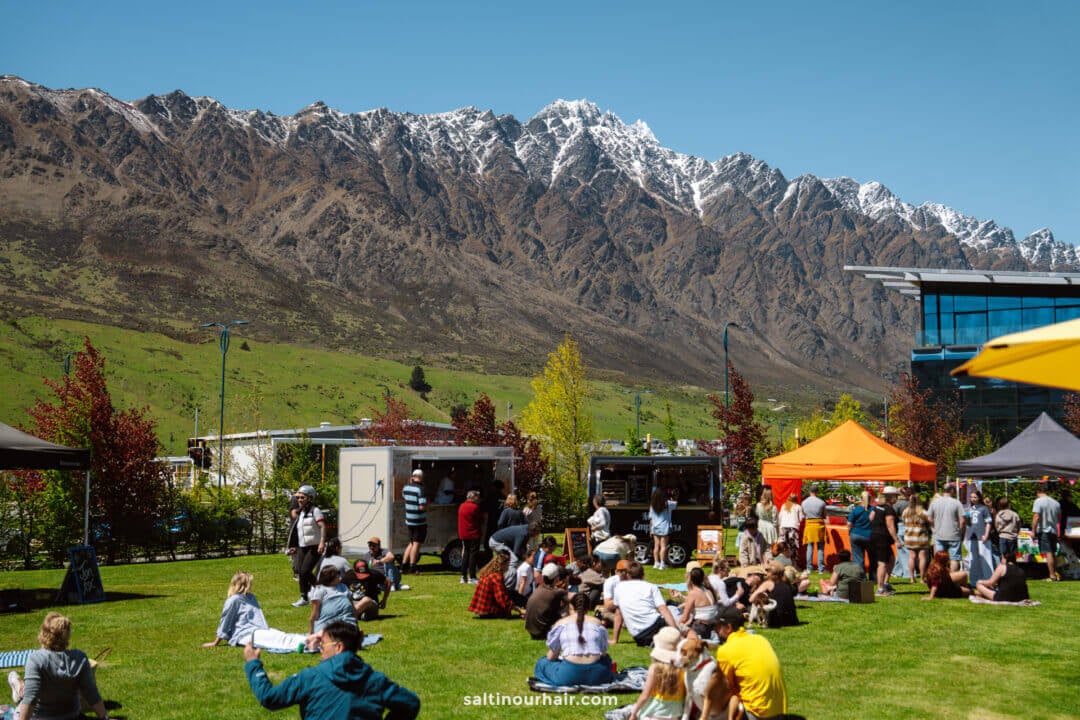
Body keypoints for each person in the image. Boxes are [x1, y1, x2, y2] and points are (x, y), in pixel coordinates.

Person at [244, 620, 420, 720]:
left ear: (339, 647)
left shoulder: (310, 677)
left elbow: (269, 698)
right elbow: (411, 703)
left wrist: (253, 664)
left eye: (322, 644)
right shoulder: (375, 681)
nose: (320, 648)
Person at [16, 612, 109, 720]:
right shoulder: (80, 658)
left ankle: (17, 685)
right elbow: (91, 693)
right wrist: (105, 717)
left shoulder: (36, 659)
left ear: (43, 633)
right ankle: (18, 685)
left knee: (20, 695)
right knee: (21, 689)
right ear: (67, 635)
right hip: (73, 716)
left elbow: (30, 698)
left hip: (42, 717)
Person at [713, 603, 788, 719]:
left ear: (728, 628)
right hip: (778, 710)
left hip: (756, 712)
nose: (715, 630)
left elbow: (724, 689)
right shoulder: (760, 639)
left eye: (717, 626)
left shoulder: (726, 651)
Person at [533, 593, 614, 686]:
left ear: (571, 606)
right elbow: (603, 654)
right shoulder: (597, 623)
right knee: (607, 660)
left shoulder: (561, 623)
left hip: (568, 675)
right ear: (588, 607)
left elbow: (551, 657)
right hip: (598, 675)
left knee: (542, 663)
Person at [612, 561, 680, 647]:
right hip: (655, 625)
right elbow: (663, 609)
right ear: (643, 575)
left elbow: (618, 614)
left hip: (639, 636)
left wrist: (615, 639)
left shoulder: (619, 588)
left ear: (628, 575)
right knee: (684, 627)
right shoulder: (651, 587)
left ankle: (655, 641)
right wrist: (676, 630)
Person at [628, 626, 685, 720]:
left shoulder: (655, 668)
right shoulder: (683, 669)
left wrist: (634, 713)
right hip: (675, 713)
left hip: (655, 713)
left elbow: (645, 695)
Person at [205, 570, 271, 647]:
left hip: (257, 631)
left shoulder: (251, 597)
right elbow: (226, 620)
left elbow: (259, 617)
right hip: (245, 634)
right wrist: (216, 642)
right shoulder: (235, 600)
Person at [289, 484, 326, 607]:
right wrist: (294, 545)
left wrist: (322, 542)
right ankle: (305, 597)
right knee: (300, 571)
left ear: (310, 498)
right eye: (298, 498)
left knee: (305, 571)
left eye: (302, 498)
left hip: (314, 546)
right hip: (302, 546)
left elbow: (322, 526)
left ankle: (316, 591)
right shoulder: (300, 513)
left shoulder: (315, 511)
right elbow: (297, 531)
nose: (299, 500)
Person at [468, 550, 523, 618]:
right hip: (489, 612)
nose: (508, 568)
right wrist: (519, 610)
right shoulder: (496, 577)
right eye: (507, 565)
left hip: (481, 610)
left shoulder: (485, 573)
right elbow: (502, 599)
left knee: (510, 592)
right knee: (512, 594)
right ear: (503, 565)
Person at [868, 487, 900, 596]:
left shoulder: (878, 507)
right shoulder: (889, 509)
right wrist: (897, 540)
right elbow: (890, 526)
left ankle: (885, 583)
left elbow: (870, 518)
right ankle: (880, 589)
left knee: (891, 559)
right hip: (882, 538)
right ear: (891, 497)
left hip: (875, 536)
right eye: (896, 496)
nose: (897, 498)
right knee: (882, 564)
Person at [525, 563, 570, 640]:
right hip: (543, 633)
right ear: (556, 578)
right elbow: (576, 599)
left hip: (531, 632)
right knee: (567, 606)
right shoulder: (557, 592)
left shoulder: (539, 588)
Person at [747, 562, 798, 628]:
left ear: (771, 573)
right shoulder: (788, 584)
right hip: (792, 620)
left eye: (767, 571)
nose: (766, 573)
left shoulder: (768, 583)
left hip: (777, 621)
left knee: (749, 608)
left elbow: (751, 599)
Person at [927, 483, 965, 572]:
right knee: (954, 558)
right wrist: (960, 531)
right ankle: (952, 579)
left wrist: (934, 528)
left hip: (939, 534)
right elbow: (962, 521)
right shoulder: (956, 502)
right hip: (954, 534)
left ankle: (940, 579)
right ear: (952, 490)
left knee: (939, 559)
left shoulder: (935, 502)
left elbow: (929, 518)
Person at [309, 567, 356, 634]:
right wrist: (311, 631)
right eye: (337, 577)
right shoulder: (320, 590)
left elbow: (352, 608)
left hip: (345, 619)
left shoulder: (343, 587)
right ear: (329, 578)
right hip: (327, 621)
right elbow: (315, 613)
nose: (340, 578)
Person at [676, 565, 719, 637]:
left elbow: (684, 618)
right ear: (703, 578)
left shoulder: (693, 593)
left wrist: (675, 627)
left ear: (691, 579)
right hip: (713, 625)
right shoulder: (708, 591)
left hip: (701, 627)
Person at [1032, 483, 1062, 581]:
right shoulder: (1056, 503)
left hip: (1044, 529)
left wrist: (1033, 531)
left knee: (1048, 553)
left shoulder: (1038, 501)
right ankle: (1056, 573)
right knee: (1053, 553)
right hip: (1053, 530)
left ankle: (1052, 576)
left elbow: (1036, 516)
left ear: (1038, 492)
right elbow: (1059, 519)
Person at [401, 468, 427, 575]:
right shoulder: (421, 489)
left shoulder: (405, 487)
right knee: (416, 544)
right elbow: (422, 507)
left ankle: (403, 566)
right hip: (419, 521)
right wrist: (427, 505)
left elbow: (404, 498)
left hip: (409, 520)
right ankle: (412, 567)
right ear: (421, 477)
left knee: (411, 543)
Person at [965, 489, 994, 587]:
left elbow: (988, 523)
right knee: (973, 559)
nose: (973, 499)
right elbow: (968, 524)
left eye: (975, 497)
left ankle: (989, 580)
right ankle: (974, 581)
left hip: (982, 536)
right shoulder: (970, 509)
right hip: (972, 537)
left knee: (985, 558)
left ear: (979, 498)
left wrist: (986, 534)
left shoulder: (984, 509)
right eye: (972, 497)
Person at [457, 489, 485, 584]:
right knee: (473, 555)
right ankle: (472, 576)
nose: (479, 499)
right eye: (477, 497)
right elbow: (481, 519)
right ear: (473, 498)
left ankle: (463, 576)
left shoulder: (462, 506)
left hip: (464, 533)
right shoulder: (474, 507)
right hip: (473, 533)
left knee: (465, 554)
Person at [902, 495, 932, 583]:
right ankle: (922, 579)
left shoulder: (906, 511)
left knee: (911, 557)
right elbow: (930, 523)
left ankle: (912, 578)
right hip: (921, 537)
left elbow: (904, 522)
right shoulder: (923, 512)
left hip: (909, 538)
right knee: (922, 558)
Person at [846, 490, 873, 579]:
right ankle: (874, 578)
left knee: (858, 559)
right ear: (870, 499)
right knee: (873, 558)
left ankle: (861, 578)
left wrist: (850, 533)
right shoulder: (873, 510)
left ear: (860, 499)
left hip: (856, 535)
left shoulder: (856, 510)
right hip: (870, 536)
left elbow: (849, 524)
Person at [648, 488, 677, 569]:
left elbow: (651, 519)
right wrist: (673, 497)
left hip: (655, 527)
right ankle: (662, 564)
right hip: (664, 527)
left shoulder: (652, 505)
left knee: (656, 546)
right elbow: (676, 504)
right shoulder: (668, 504)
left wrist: (650, 529)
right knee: (663, 546)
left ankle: (656, 563)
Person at [801, 486, 827, 572]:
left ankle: (809, 568)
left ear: (809, 491)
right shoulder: (821, 502)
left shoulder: (804, 502)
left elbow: (803, 514)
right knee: (820, 548)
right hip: (819, 526)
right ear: (817, 492)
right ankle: (821, 569)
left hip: (809, 525)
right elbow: (824, 516)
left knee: (809, 547)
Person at [599, 559, 631, 627]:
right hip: (615, 610)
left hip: (631, 610)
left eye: (627, 571)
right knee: (604, 612)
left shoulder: (634, 581)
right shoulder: (610, 582)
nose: (625, 574)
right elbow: (608, 606)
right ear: (616, 572)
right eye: (622, 571)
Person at [891, 486, 912, 578]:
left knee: (903, 551)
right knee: (902, 551)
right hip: (909, 526)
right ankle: (897, 571)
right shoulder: (910, 503)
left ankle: (908, 572)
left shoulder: (897, 505)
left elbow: (892, 516)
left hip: (900, 527)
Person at [994, 497, 1021, 562]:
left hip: (1002, 536)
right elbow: (1019, 524)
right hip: (1012, 537)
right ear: (1009, 504)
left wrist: (999, 531)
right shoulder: (1014, 514)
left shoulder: (999, 515)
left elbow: (996, 525)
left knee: (1003, 556)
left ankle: (1004, 570)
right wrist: (1017, 532)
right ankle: (1012, 569)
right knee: (1012, 556)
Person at [777, 494, 804, 560]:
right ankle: (793, 563)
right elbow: (801, 518)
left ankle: (782, 560)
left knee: (783, 545)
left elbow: (780, 517)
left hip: (783, 527)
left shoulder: (784, 506)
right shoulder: (798, 507)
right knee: (793, 546)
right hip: (793, 527)